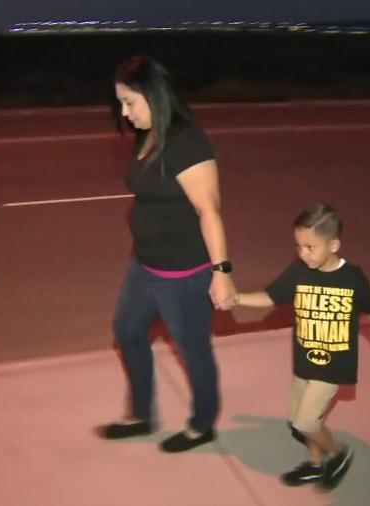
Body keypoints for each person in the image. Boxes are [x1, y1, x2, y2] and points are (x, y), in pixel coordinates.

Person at [96, 55, 237, 453]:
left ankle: (202, 423)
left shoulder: (187, 142)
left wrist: (221, 272)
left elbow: (209, 210)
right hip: (143, 264)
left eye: (130, 103)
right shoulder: (148, 133)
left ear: (154, 97)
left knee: (193, 352)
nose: (124, 114)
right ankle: (142, 415)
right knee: (126, 332)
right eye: (121, 104)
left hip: (184, 274)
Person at [234, 202, 370, 490]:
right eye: (299, 246)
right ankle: (314, 465)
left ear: (333, 244)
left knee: (306, 422)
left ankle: (337, 453)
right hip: (304, 361)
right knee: (296, 419)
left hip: (333, 365)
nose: (303, 253)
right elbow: (271, 297)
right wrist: (236, 298)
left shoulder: (352, 279)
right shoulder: (300, 271)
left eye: (310, 247)